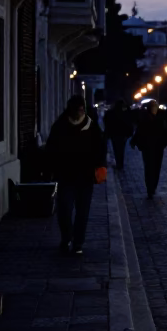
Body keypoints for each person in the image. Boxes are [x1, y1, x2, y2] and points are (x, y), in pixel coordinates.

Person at [45, 96, 106, 254]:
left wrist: (100, 165)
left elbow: (101, 148)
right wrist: (52, 167)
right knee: (64, 209)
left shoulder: (92, 126)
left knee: (82, 211)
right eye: (77, 109)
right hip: (65, 175)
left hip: (86, 176)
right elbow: (51, 149)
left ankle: (78, 242)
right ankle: (66, 237)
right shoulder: (60, 126)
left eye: (81, 109)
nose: (80, 112)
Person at [131, 100, 167, 199]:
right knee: (149, 167)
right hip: (147, 147)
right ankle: (150, 187)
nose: (154, 108)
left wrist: (165, 142)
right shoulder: (145, 118)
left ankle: (153, 186)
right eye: (152, 106)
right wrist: (135, 141)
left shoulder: (162, 117)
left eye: (155, 106)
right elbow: (139, 131)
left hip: (158, 147)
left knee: (156, 167)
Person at [103, 99, 135, 171]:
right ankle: (120, 163)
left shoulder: (112, 112)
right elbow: (130, 122)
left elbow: (107, 121)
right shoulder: (125, 113)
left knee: (116, 149)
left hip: (115, 134)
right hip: (122, 134)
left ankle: (118, 163)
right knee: (121, 149)